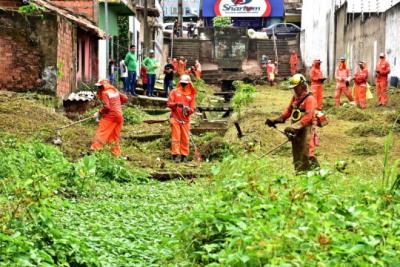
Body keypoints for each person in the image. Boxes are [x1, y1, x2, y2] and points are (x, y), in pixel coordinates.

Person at [265, 74, 319, 172]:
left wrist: (294, 127)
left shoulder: (309, 99)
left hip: (307, 129)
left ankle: (316, 174)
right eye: (293, 88)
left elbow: (308, 116)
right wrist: (275, 120)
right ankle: (299, 173)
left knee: (307, 152)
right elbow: (288, 112)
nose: (294, 90)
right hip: (297, 130)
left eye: (296, 88)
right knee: (297, 152)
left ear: (302, 86)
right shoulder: (295, 98)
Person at [91, 79, 128, 156]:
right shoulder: (115, 91)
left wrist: (99, 112)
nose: (99, 89)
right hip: (119, 117)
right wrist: (116, 105)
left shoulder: (105, 93)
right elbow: (125, 98)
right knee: (114, 136)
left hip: (111, 116)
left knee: (101, 132)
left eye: (100, 87)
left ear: (103, 86)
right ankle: (115, 154)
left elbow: (107, 107)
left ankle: (95, 150)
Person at [167, 74, 196, 163]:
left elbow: (192, 108)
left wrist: (188, 109)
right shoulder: (174, 92)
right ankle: (175, 155)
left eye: (185, 83)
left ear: (189, 83)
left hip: (185, 120)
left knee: (185, 138)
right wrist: (176, 104)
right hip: (175, 118)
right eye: (182, 83)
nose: (183, 85)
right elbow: (169, 103)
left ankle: (184, 155)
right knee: (176, 137)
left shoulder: (191, 95)